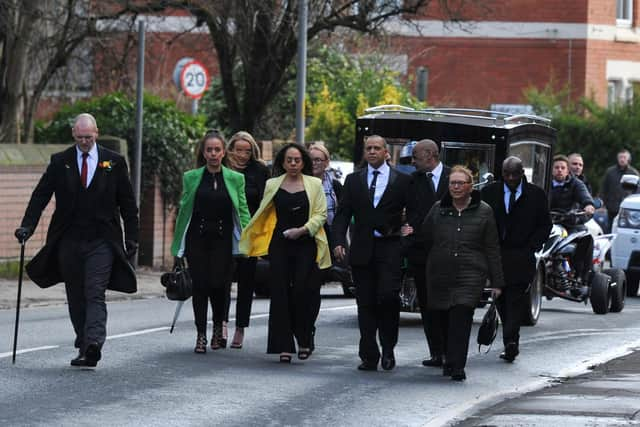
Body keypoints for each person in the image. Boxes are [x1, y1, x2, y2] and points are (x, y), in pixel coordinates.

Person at [15, 113, 139, 368]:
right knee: (76, 294)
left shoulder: (114, 162)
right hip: (69, 240)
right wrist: (27, 226)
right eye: (80, 137)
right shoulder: (61, 161)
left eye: (89, 137)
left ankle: (93, 343)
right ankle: (83, 341)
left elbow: (127, 203)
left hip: (102, 240)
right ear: (73, 134)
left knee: (94, 292)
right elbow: (41, 196)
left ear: (97, 132)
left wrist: (132, 237)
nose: (84, 141)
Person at [240, 143, 330, 363]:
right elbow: (263, 211)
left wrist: (302, 231)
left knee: (302, 291)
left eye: (297, 160)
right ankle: (284, 346)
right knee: (280, 293)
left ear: (303, 162)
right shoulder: (272, 184)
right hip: (279, 244)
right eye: (289, 160)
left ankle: (304, 338)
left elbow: (321, 215)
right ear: (282, 162)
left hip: (306, 244)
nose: (292, 164)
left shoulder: (314, 184)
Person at [332, 135, 411, 372]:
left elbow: (415, 211)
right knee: (365, 303)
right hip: (363, 249)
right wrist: (338, 241)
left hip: (390, 247)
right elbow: (343, 213)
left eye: (377, 148)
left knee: (387, 298)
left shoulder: (402, 180)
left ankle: (388, 348)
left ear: (386, 152)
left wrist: (408, 233)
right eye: (369, 148)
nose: (373, 151)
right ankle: (369, 354)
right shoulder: (354, 180)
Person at [422, 165, 504, 381]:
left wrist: (497, 282)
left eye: (460, 183)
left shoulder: (484, 211)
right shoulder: (438, 209)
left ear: (470, 186)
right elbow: (424, 239)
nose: (456, 187)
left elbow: (492, 248)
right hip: (440, 274)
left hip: (471, 274)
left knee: (461, 316)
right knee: (443, 319)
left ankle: (458, 365)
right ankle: (448, 357)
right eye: (452, 183)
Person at [171, 130, 250, 353]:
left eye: (217, 149)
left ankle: (217, 327)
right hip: (198, 239)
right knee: (200, 287)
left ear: (224, 152)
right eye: (209, 150)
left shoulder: (236, 179)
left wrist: (250, 240)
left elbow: (242, 210)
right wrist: (178, 248)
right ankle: (201, 335)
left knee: (219, 286)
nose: (213, 154)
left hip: (223, 240)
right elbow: (184, 211)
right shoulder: (192, 177)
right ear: (203, 153)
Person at [481, 157, 551, 363]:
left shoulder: (536, 195)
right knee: (500, 298)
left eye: (515, 174)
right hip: (496, 253)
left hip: (521, 254)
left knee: (515, 298)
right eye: (506, 174)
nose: (511, 178)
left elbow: (545, 224)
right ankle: (510, 338)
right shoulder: (490, 192)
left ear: (522, 173)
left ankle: (511, 341)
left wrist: (532, 245)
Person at [400, 139, 451, 368]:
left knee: (448, 305)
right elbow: (405, 211)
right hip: (421, 254)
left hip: (449, 253)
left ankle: (452, 351)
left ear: (430, 155)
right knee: (428, 304)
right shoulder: (413, 181)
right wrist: (404, 227)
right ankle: (436, 352)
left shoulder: (454, 178)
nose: (412, 161)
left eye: (416, 156)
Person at [223, 131, 270, 349]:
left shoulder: (260, 170)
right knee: (221, 281)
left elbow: (264, 202)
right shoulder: (222, 168)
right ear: (230, 149)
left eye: (247, 151)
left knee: (246, 282)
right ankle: (221, 323)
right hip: (224, 232)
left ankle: (240, 328)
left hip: (249, 233)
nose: (242, 155)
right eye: (238, 150)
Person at [308, 143, 344, 349]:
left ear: (327, 162)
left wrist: (339, 243)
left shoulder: (336, 186)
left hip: (326, 241)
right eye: (311, 159)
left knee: (313, 288)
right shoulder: (299, 182)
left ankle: (308, 328)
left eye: (318, 160)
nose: (314, 164)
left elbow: (341, 217)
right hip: (304, 239)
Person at [549, 154, 595, 291]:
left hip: (570, 223)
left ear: (567, 170)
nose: (559, 170)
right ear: (551, 170)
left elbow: (585, 197)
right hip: (545, 222)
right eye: (556, 167)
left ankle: (580, 276)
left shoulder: (576, 184)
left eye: (563, 167)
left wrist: (588, 206)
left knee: (586, 239)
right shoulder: (544, 182)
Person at [601, 149, 639, 230]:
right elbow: (604, 188)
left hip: (627, 209)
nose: (622, 159)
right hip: (612, 208)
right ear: (617, 158)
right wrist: (603, 204)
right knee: (610, 229)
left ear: (628, 159)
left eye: (624, 157)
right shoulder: (610, 172)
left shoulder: (634, 173)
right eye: (620, 157)